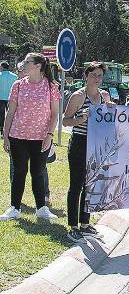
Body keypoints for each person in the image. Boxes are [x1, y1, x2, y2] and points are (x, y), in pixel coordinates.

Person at [0, 53, 60, 222]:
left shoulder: (50, 87)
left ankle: (41, 208)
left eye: (27, 62)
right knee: (19, 172)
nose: (23, 64)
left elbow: (55, 114)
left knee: (38, 172)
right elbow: (10, 113)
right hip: (17, 136)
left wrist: (49, 135)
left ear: (38, 66)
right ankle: (14, 208)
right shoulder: (18, 85)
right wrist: (6, 136)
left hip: (41, 138)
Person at [61, 62, 113, 241]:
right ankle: (72, 226)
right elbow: (65, 121)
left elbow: (109, 119)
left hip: (97, 145)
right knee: (76, 185)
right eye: (93, 75)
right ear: (86, 76)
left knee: (90, 185)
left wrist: (111, 108)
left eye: (100, 75)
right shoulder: (78, 96)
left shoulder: (105, 95)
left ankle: (85, 223)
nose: (97, 79)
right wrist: (82, 119)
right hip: (80, 143)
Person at [0, 61, 18, 133]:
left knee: (1, 114)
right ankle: (11, 129)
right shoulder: (15, 76)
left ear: (2, 67)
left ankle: (2, 129)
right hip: (11, 98)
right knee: (11, 114)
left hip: (1, 97)